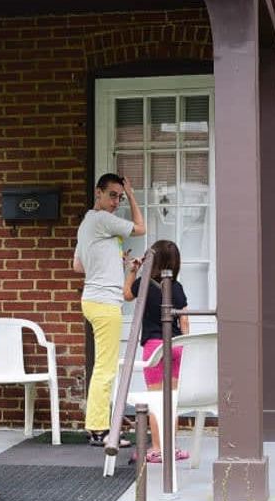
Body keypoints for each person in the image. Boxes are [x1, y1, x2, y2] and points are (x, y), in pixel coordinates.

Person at [73, 172, 146, 447]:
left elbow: (78, 266)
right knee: (105, 368)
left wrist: (115, 260)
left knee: (102, 366)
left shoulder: (87, 224)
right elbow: (141, 228)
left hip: (93, 299)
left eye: (119, 196)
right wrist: (131, 194)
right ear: (98, 193)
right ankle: (99, 429)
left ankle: (99, 423)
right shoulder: (102, 219)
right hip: (104, 303)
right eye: (112, 195)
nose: (116, 201)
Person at [123, 239, 192, 463]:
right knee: (171, 400)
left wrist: (133, 271)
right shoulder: (177, 287)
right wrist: (184, 343)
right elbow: (184, 319)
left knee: (155, 400)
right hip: (175, 346)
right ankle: (171, 447)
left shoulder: (144, 284)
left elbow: (127, 294)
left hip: (154, 346)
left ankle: (156, 448)